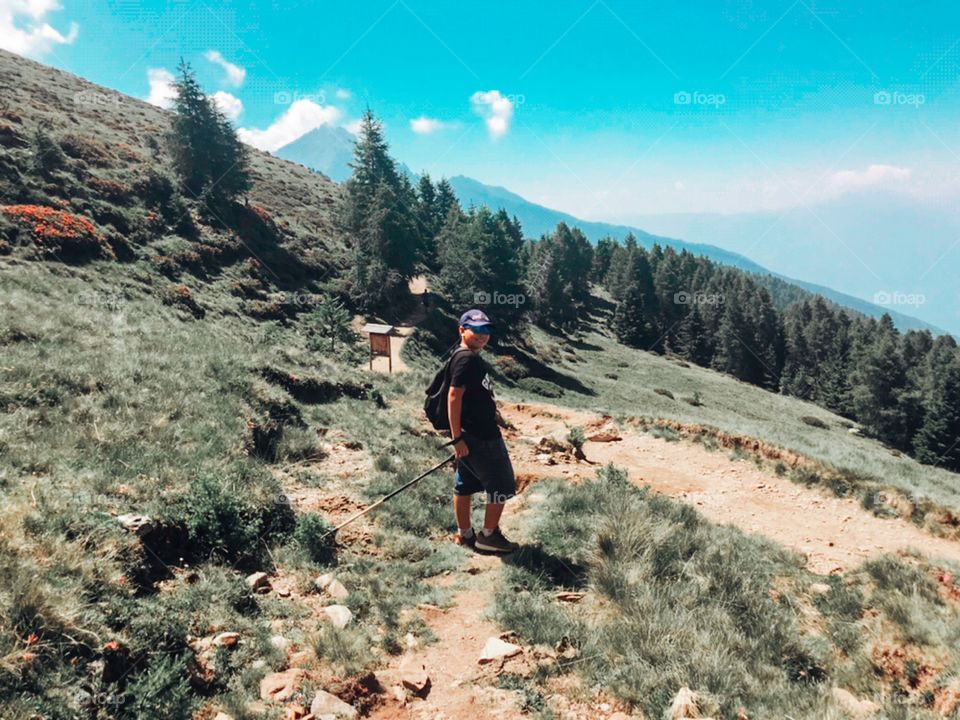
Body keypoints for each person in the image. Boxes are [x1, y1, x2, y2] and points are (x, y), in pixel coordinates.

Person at [447, 309, 519, 553]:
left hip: (469, 434)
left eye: (486, 330)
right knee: (502, 484)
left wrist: (460, 436)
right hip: (481, 437)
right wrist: (456, 438)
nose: (482, 335)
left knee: (465, 483)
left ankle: (464, 534)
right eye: (476, 329)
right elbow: (454, 396)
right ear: (462, 330)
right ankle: (488, 536)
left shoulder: (460, 355)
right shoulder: (467, 358)